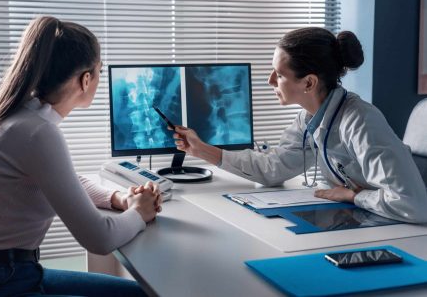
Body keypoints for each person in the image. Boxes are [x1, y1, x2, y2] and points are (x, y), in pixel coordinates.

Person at [0, 16, 162, 296]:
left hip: (6, 272)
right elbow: (99, 238)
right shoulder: (37, 133)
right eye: (100, 70)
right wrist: (140, 212)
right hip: (1, 282)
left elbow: (66, 181)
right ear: (86, 80)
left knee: (140, 292)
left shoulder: (20, 119)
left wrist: (120, 199)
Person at [172, 27, 427, 224]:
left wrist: (354, 196)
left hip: (404, 234)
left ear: (308, 83)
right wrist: (201, 150)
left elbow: (412, 204)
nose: (271, 80)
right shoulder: (310, 119)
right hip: (371, 222)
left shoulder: (360, 121)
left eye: (280, 74)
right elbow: (271, 169)